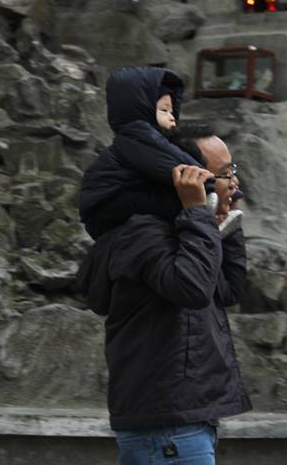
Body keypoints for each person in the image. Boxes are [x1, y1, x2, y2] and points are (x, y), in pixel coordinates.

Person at [75, 123, 252, 465]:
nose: (235, 182)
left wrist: (223, 221)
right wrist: (198, 212)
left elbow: (228, 289)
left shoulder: (184, 231)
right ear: (189, 179)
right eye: (224, 174)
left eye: (234, 170)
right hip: (169, 427)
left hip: (180, 423)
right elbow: (193, 288)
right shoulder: (146, 235)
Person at [78, 66, 211, 240]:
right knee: (172, 201)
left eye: (172, 111)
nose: (172, 117)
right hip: (105, 208)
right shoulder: (138, 135)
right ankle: (205, 217)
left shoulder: (146, 139)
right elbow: (176, 166)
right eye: (164, 110)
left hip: (116, 203)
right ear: (142, 109)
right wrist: (209, 186)